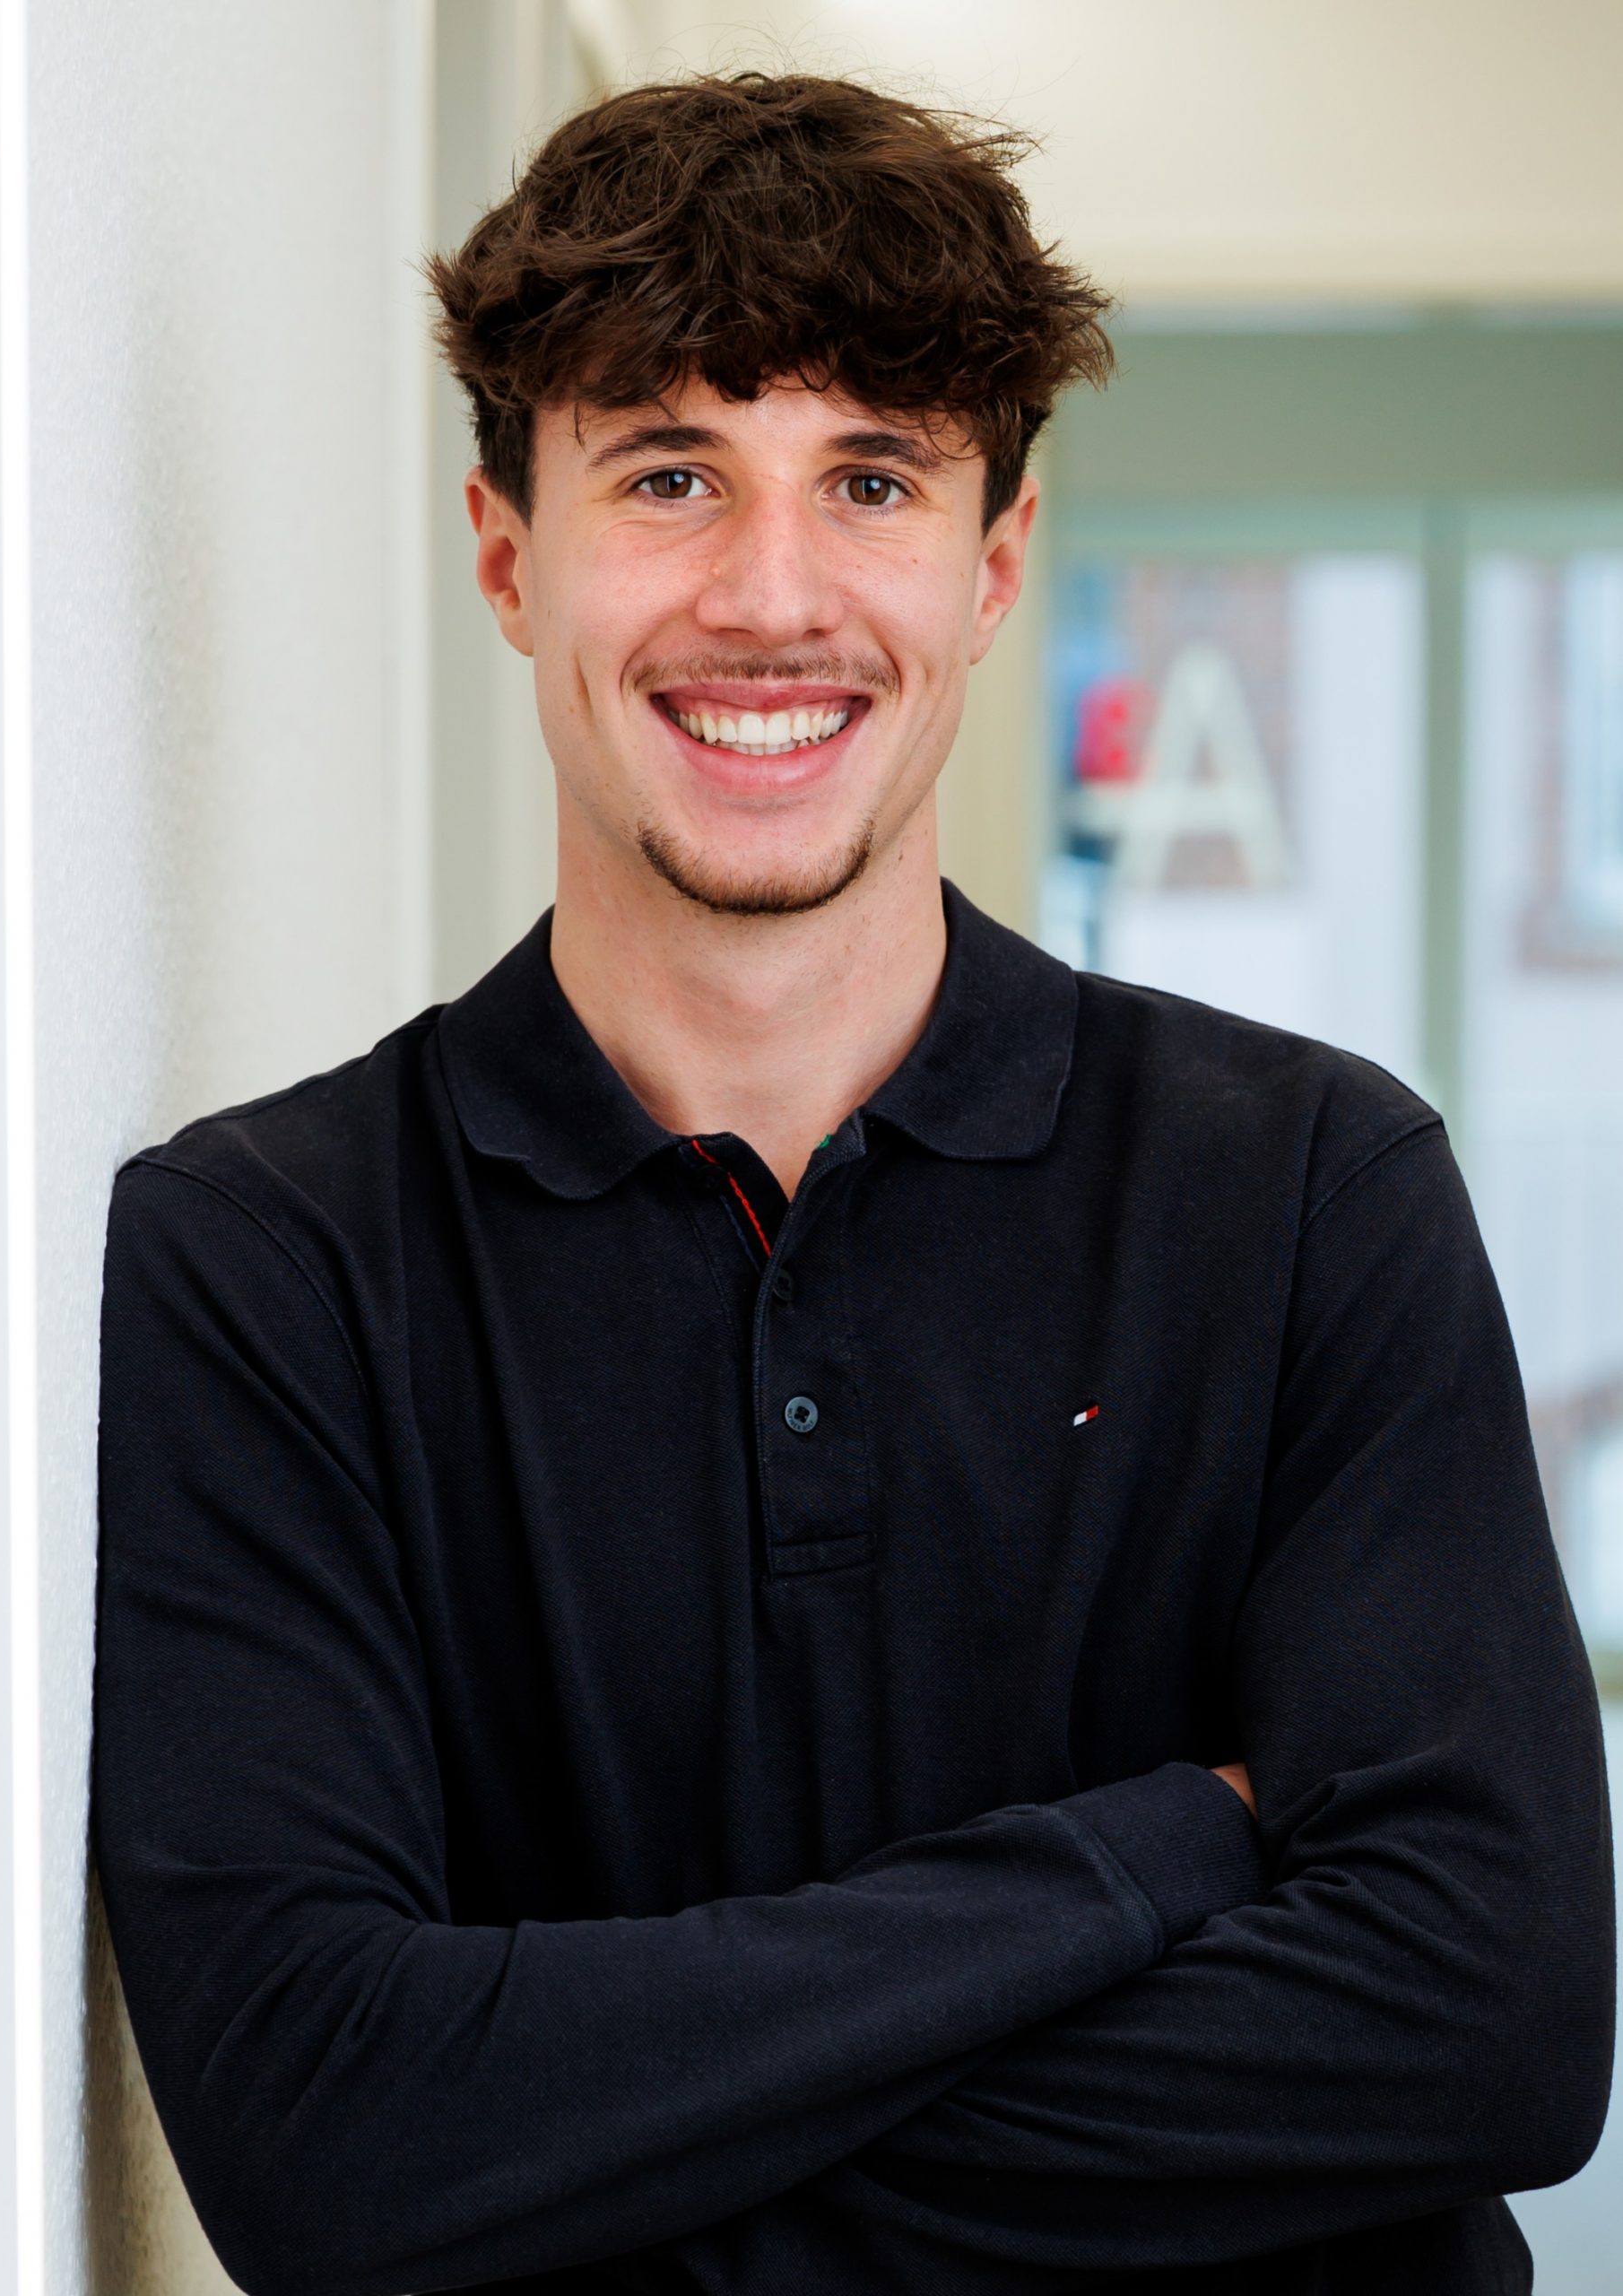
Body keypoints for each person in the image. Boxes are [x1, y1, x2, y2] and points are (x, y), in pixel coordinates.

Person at [91, 71, 1613, 2296]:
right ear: (507, 551)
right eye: (670, 473)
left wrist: (596, 2158)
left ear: (993, 566)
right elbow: (328, 2130)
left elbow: (1492, 2023)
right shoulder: (268, 1257)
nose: (772, 595)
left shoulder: (1314, 1188)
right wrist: (1143, 1856)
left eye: (872, 478)